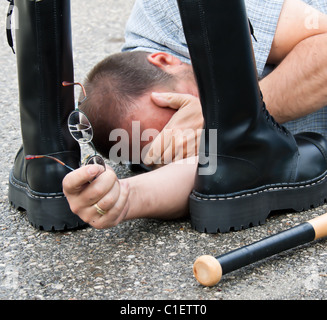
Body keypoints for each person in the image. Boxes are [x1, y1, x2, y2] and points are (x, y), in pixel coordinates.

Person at [63, 0, 327, 231]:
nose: (194, 140)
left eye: (182, 111)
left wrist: (226, 115)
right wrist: (124, 198)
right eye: (179, 148)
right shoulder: (141, 137)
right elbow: (212, 170)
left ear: (165, 61)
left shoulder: (171, 11)